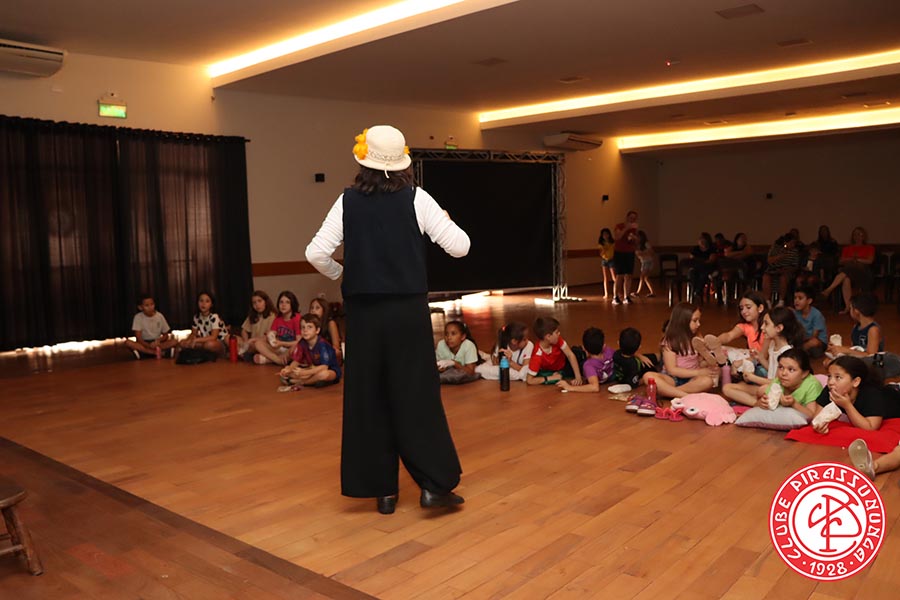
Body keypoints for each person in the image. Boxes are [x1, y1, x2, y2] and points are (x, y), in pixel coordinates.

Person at [305, 124, 469, 515]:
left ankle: (383, 492)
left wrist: (341, 273)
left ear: (363, 161)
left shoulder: (347, 201)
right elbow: (461, 247)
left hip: (363, 316)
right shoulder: (418, 199)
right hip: (407, 315)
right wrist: (445, 219)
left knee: (369, 398)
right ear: (402, 164)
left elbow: (315, 253)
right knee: (416, 397)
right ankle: (433, 486)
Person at [722, 306, 803, 406]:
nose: (762, 328)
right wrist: (760, 358)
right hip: (769, 386)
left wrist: (752, 378)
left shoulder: (787, 353)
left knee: (761, 390)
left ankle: (757, 404)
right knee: (728, 388)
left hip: (778, 390)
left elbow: (778, 382)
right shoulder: (773, 344)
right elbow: (772, 369)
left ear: (779, 328)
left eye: (766, 324)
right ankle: (758, 401)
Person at [640, 303, 718, 400]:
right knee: (648, 376)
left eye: (699, 320)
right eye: (695, 321)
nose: (698, 324)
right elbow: (672, 370)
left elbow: (700, 360)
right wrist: (698, 372)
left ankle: (667, 392)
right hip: (672, 378)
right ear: (683, 321)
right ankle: (685, 395)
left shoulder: (697, 336)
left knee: (708, 381)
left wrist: (707, 364)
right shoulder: (669, 340)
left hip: (692, 379)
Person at [811, 356, 900, 435]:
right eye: (829, 376)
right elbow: (816, 419)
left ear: (855, 382)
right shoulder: (830, 389)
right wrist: (820, 426)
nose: (831, 382)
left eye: (838, 377)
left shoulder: (872, 393)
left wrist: (847, 405)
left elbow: (871, 427)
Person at [691, 291, 768, 374]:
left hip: (763, 364)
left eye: (748, 307)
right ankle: (714, 358)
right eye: (741, 308)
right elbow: (729, 335)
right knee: (723, 350)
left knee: (741, 363)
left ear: (760, 308)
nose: (744, 311)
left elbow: (763, 357)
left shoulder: (768, 328)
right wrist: (716, 341)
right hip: (752, 358)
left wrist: (741, 362)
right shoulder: (745, 326)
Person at [277, 313, 341, 391]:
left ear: (317, 330)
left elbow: (324, 367)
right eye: (303, 327)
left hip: (329, 370)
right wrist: (288, 369)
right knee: (289, 371)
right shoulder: (302, 342)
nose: (305, 330)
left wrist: (305, 373)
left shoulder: (322, 344)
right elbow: (296, 361)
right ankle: (312, 381)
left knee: (323, 374)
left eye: (309, 327)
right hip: (313, 369)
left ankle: (303, 382)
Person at [754, 348, 823, 419]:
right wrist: (761, 403)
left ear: (804, 373)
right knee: (761, 390)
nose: (783, 373)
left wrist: (794, 404)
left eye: (791, 370)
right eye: (781, 367)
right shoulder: (778, 381)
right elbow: (755, 406)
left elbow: (812, 415)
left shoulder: (812, 385)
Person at [820, 226, 876, 313]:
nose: (857, 237)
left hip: (863, 273)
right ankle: (848, 307)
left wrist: (856, 260)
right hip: (849, 272)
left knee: (849, 268)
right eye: (855, 235)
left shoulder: (869, 247)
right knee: (846, 278)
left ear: (864, 236)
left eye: (860, 234)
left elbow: (869, 261)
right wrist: (852, 259)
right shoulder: (847, 248)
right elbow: (841, 261)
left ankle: (828, 290)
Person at [525, 317, 583, 386]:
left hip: (564, 365)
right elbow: (529, 380)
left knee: (578, 354)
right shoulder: (537, 355)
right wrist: (550, 378)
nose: (559, 333)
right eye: (556, 332)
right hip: (551, 371)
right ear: (548, 337)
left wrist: (578, 377)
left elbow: (570, 355)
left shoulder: (557, 340)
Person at [558, 327, 614, 392]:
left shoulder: (588, 365)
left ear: (585, 349)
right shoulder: (609, 351)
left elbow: (594, 387)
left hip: (582, 364)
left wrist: (570, 387)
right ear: (603, 345)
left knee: (576, 354)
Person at [254, 291, 301, 365]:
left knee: (296, 348)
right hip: (279, 349)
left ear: (292, 304)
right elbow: (272, 334)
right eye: (281, 302)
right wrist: (270, 336)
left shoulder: (297, 318)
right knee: (258, 343)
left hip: (290, 349)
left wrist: (281, 343)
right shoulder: (278, 318)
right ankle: (278, 360)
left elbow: (299, 342)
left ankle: (269, 360)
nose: (283, 305)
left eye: (287, 302)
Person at [125, 293, 178, 359]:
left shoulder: (159, 316)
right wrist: (148, 345)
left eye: (152, 304)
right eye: (147, 305)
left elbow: (166, 335)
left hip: (157, 342)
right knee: (128, 342)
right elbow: (139, 338)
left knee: (174, 341)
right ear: (140, 307)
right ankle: (155, 353)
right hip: (144, 342)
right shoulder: (138, 317)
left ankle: (147, 353)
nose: (150, 307)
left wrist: (158, 340)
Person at [179, 291, 228, 355]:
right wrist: (188, 340)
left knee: (209, 345)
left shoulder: (214, 316)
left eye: (207, 301)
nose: (203, 304)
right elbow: (193, 333)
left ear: (211, 304)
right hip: (204, 341)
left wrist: (196, 340)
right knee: (182, 343)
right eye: (201, 301)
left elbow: (214, 337)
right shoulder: (196, 317)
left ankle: (222, 353)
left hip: (219, 342)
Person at [762, 231, 801, 307]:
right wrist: (779, 257)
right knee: (766, 277)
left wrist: (786, 269)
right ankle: (767, 301)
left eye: (794, 243)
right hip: (774, 269)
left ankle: (781, 301)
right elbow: (769, 260)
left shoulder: (794, 251)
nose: (793, 245)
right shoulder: (776, 248)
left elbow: (795, 266)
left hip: (787, 270)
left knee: (783, 277)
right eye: (791, 243)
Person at [239, 290, 276, 360]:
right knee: (231, 338)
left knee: (256, 345)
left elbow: (269, 336)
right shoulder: (253, 315)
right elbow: (244, 330)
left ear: (265, 302)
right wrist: (246, 341)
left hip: (263, 343)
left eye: (259, 301)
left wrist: (252, 340)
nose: (257, 305)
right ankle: (247, 353)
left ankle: (247, 353)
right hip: (251, 343)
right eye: (254, 303)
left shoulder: (272, 316)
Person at [611, 211, 639, 304]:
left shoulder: (634, 229)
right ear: (627, 217)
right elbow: (617, 237)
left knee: (629, 275)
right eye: (631, 217)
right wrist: (627, 228)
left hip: (630, 253)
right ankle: (615, 297)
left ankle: (627, 296)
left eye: (634, 218)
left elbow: (637, 242)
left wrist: (634, 238)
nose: (632, 220)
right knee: (620, 275)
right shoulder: (619, 226)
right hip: (619, 253)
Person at [793, 285, 827, 358]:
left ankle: (799, 351)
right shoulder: (795, 313)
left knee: (813, 343)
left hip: (817, 341)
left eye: (800, 298)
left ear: (809, 301)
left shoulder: (816, 315)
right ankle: (801, 351)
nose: (796, 301)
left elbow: (814, 336)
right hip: (803, 339)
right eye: (795, 298)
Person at [309, 297, 343, 364]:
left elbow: (336, 346)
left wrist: (322, 354)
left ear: (324, 310)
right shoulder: (310, 324)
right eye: (312, 308)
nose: (313, 310)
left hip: (328, 352)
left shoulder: (330, 323)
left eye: (317, 308)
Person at [634, 230, 655, 297]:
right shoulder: (637, 245)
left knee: (642, 277)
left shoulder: (646, 244)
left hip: (648, 261)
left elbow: (652, 252)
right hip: (644, 262)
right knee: (646, 278)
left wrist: (643, 253)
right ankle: (652, 292)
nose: (637, 238)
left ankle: (638, 292)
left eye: (638, 237)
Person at [598, 228, 616, 300]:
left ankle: (616, 292)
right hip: (604, 260)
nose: (605, 236)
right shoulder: (601, 244)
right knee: (606, 278)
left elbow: (615, 250)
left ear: (609, 235)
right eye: (604, 234)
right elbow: (601, 253)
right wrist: (603, 249)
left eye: (606, 234)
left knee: (614, 277)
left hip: (612, 259)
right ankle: (606, 293)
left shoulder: (613, 242)